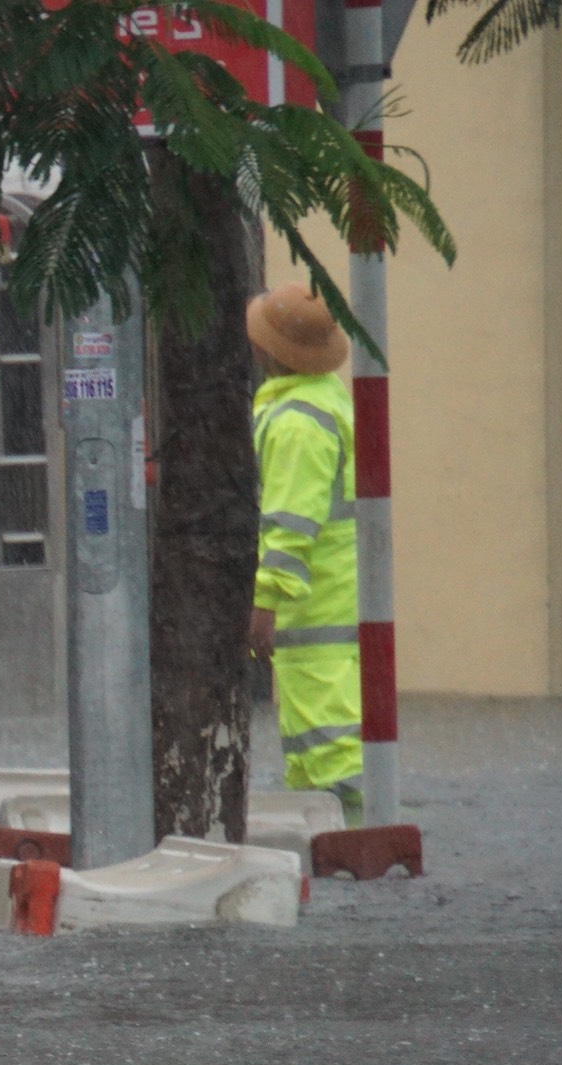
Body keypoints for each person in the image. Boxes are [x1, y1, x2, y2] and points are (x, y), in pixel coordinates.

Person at [244, 281, 363, 820]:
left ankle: (350, 847)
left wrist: (265, 604)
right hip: (331, 608)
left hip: (313, 614)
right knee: (328, 749)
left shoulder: (296, 424)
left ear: (270, 351)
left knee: (329, 760)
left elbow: (290, 527)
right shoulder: (326, 399)